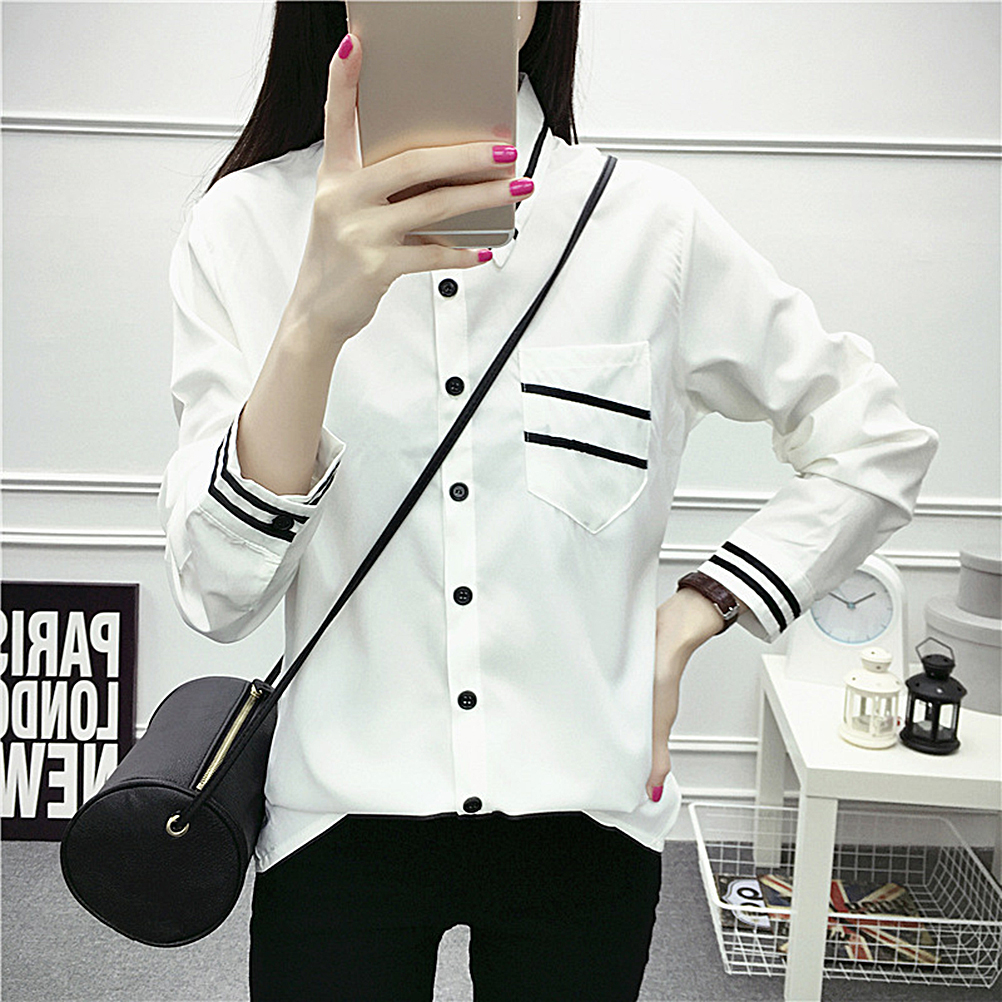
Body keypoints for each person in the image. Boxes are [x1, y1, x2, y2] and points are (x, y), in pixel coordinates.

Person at [158, 2, 939, 999]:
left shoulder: (648, 228)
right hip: (337, 817)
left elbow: (873, 440)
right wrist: (312, 322)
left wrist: (694, 616)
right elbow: (218, 595)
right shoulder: (243, 228)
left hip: (587, 813)